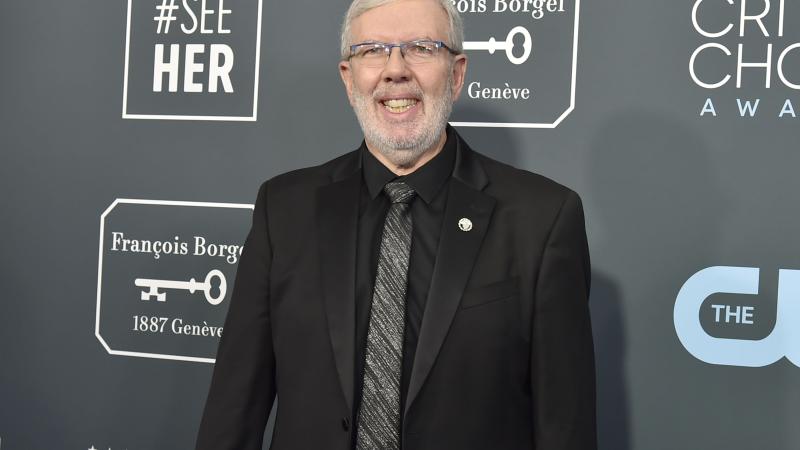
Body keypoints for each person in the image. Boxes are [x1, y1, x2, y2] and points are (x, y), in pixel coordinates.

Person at [195, 0, 596, 449]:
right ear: (349, 79)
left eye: (421, 47)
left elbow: (566, 426)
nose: (395, 70)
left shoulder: (543, 219)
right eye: (372, 51)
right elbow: (234, 407)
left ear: (457, 73)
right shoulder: (283, 209)